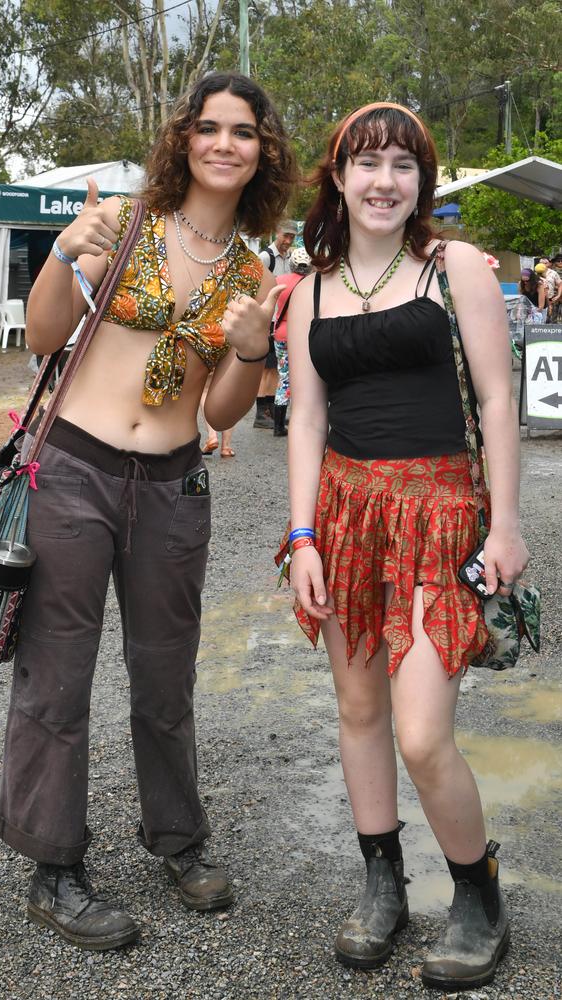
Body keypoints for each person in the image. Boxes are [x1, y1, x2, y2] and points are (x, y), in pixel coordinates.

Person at [0, 70, 295, 951]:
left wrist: (248, 350)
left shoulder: (255, 270)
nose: (223, 144)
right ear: (184, 139)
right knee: (58, 670)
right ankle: (55, 864)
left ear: (261, 152)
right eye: (208, 127)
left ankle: (179, 837)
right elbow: (45, 336)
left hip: (171, 482)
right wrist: (60, 250)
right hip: (75, 469)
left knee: (166, 678)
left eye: (243, 132)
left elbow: (224, 412)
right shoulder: (124, 226)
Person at [281, 102, 529, 991]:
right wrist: (302, 534)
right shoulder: (308, 288)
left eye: (403, 165)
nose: (384, 180)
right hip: (345, 516)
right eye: (367, 162)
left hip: (437, 512)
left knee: (422, 733)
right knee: (358, 714)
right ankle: (382, 879)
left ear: (421, 182)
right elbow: (305, 417)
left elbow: (498, 401)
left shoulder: (453, 265)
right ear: (338, 177)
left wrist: (504, 522)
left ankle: (476, 891)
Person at [253, 221, 297, 427]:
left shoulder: (289, 258)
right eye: (285, 235)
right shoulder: (265, 257)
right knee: (266, 369)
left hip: (278, 322)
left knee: (275, 369)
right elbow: (254, 287)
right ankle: (261, 414)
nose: (288, 241)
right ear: (276, 232)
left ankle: (270, 411)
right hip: (267, 321)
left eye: (292, 237)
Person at [271, 246, 313, 437]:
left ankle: (278, 424)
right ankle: (302, 421)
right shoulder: (312, 284)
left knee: (284, 377)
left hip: (280, 333)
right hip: (302, 335)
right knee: (305, 377)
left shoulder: (279, 281)